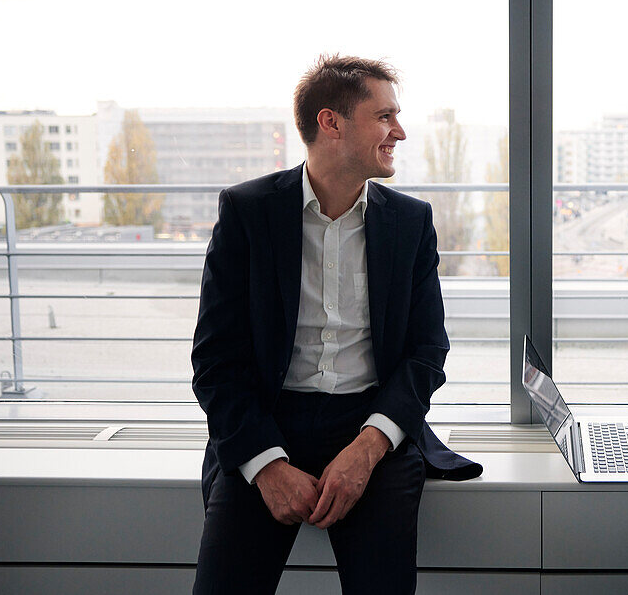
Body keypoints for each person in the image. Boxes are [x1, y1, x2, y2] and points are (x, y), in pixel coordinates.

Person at [191, 54, 481, 595]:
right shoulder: (247, 212)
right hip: (264, 424)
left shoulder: (410, 221)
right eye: (385, 116)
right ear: (331, 123)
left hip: (370, 425)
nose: (400, 131)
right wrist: (267, 466)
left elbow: (426, 352)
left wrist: (368, 448)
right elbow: (215, 362)